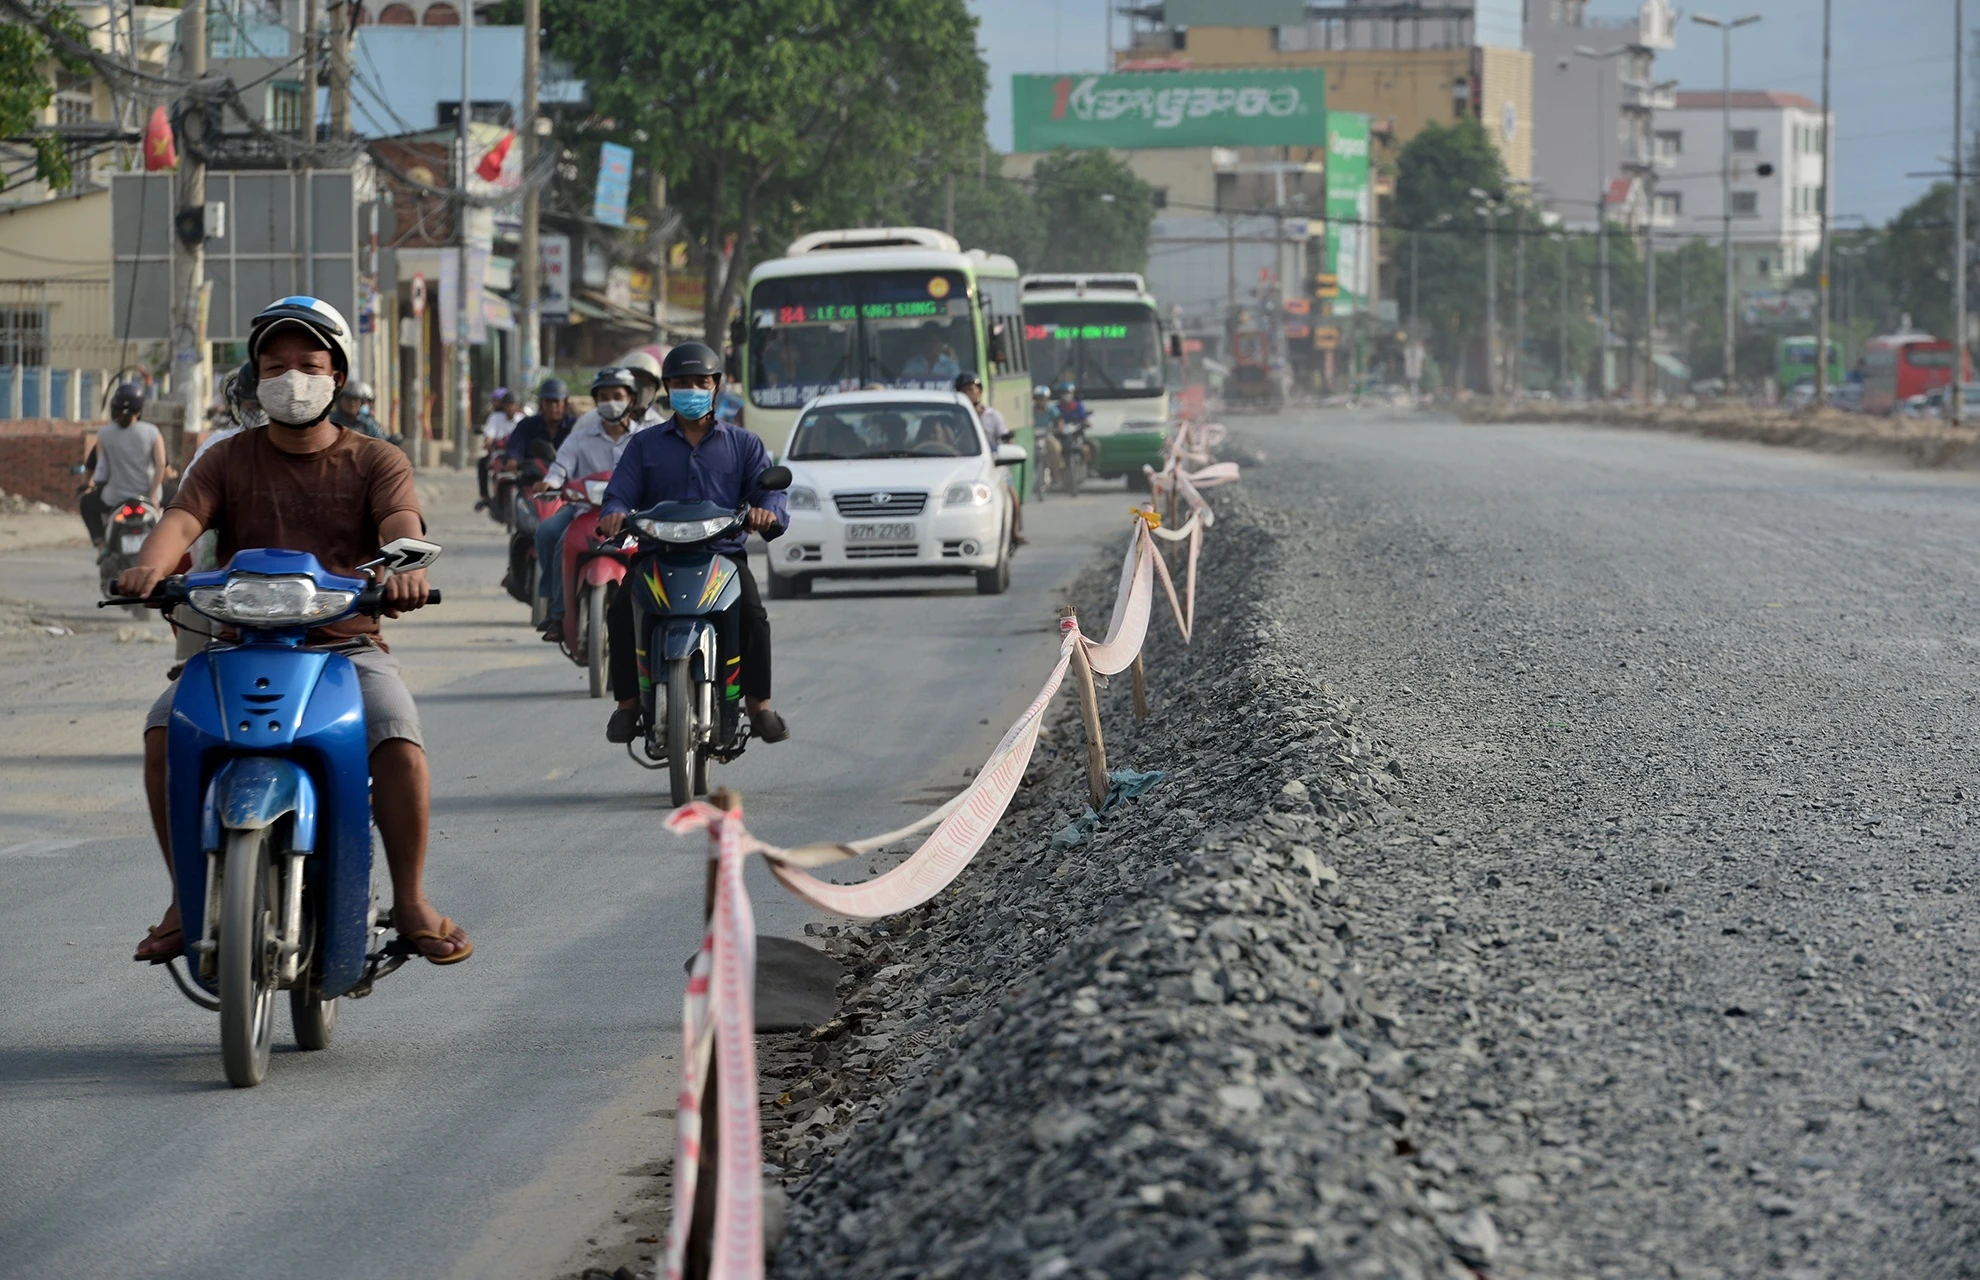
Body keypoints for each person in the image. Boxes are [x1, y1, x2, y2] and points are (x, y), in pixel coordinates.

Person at [121, 295, 469, 967]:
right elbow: (182, 522)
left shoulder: (377, 460)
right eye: (274, 365)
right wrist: (146, 568)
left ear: (336, 375)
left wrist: (405, 572)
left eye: (307, 363)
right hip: (236, 645)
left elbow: (403, 525)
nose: (291, 377)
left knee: (397, 740)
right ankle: (183, 896)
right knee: (165, 733)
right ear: (255, 379)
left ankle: (413, 899)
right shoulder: (226, 460)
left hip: (347, 646)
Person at [595, 342, 789, 745]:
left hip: (722, 557)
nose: (693, 390)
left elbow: (770, 492)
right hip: (656, 556)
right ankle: (628, 704)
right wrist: (613, 512)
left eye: (701, 382)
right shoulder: (644, 445)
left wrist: (766, 512)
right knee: (619, 611)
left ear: (716, 386)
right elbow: (618, 493)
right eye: (682, 383)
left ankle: (759, 705)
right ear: (668, 388)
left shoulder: (744, 444)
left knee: (753, 616)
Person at [533, 367, 644, 639]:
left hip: (634, 513)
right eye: (603, 396)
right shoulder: (580, 437)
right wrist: (550, 482)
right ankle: (557, 611)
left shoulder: (645, 437)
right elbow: (560, 467)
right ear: (595, 401)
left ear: (631, 399)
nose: (610, 401)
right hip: (584, 510)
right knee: (550, 533)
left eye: (617, 395)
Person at [89, 382, 167, 544]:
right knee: (178, 504)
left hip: (115, 498)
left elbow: (102, 470)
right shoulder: (152, 432)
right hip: (147, 497)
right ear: (139, 409)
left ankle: (101, 545)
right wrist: (152, 496)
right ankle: (170, 549)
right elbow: (161, 464)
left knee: (86, 503)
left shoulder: (104, 434)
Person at [957, 370, 1023, 545]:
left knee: (1013, 500)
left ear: (980, 391)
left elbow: (1007, 439)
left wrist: (1009, 449)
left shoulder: (993, 416)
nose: (970, 393)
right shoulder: (954, 416)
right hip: (963, 465)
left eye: (973, 389)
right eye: (965, 390)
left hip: (994, 464)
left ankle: (1014, 533)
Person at [505, 377, 573, 463]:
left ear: (565, 403)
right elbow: (515, 447)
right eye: (548, 402)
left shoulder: (575, 427)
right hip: (533, 474)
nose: (552, 407)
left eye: (556, 402)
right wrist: (513, 460)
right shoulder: (526, 425)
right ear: (541, 404)